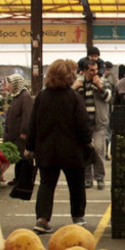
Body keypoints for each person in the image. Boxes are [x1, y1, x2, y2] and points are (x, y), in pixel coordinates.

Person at [25, 59, 92, 234]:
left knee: (46, 184)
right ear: (68, 76)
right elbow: (83, 124)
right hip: (71, 151)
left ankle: (42, 220)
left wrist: (29, 146)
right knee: (76, 184)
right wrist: (87, 141)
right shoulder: (74, 98)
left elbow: (33, 124)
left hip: (46, 150)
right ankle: (78, 218)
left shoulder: (42, 96)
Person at [75, 61, 112, 190]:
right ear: (85, 71)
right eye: (91, 70)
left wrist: (100, 86)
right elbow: (73, 99)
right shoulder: (80, 84)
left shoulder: (103, 82)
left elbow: (108, 99)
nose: (94, 72)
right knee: (85, 149)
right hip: (83, 124)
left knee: (97, 149)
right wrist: (75, 87)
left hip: (99, 123)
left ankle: (100, 177)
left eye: (95, 70)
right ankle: (87, 178)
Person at [3, 73, 33, 156]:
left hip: (20, 138)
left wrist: (24, 131)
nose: (9, 86)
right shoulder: (17, 96)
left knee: (23, 162)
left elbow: (27, 115)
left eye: (11, 83)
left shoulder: (25, 97)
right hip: (15, 137)